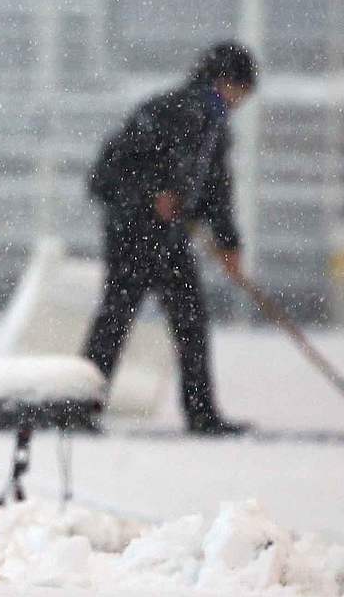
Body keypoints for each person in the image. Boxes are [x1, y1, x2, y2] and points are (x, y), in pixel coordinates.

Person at [83, 41, 257, 435]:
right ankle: (80, 407)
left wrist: (228, 243)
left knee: (190, 319)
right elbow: (105, 174)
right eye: (240, 91)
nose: (240, 102)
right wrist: (151, 194)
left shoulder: (214, 128)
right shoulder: (168, 111)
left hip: (169, 236)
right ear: (225, 81)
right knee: (117, 317)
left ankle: (201, 414)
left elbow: (216, 190)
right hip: (132, 231)